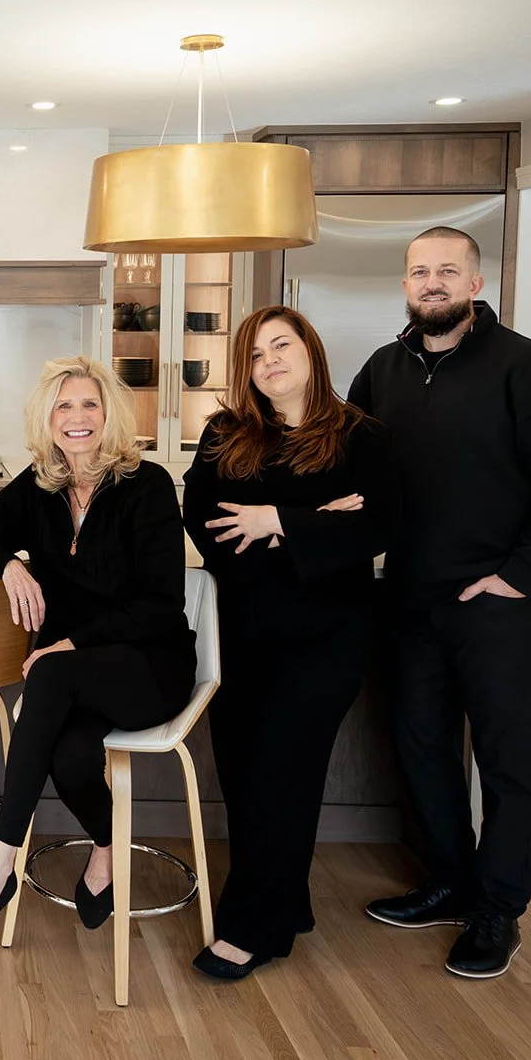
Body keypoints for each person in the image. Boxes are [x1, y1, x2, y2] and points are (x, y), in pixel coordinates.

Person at [349, 226, 531, 980]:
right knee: (422, 746)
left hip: (501, 603)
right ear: (404, 285)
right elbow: (348, 464)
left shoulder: (526, 369)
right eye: (420, 271)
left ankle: (498, 907)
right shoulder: (382, 371)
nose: (432, 282)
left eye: (447, 271)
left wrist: (521, 574)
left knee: (507, 759)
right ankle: (449, 879)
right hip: (410, 599)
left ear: (475, 282)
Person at [0, 357, 197, 948]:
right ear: (47, 419)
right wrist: (10, 566)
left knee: (48, 672)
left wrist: (70, 642)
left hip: (150, 667)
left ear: (110, 415)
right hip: (78, 675)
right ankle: (106, 844)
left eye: (89, 405)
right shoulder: (41, 486)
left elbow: (161, 605)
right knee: (71, 758)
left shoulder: (146, 485)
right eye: (63, 406)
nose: (77, 418)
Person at [181, 307, 399, 979]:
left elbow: (377, 528)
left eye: (282, 344)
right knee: (246, 775)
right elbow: (203, 519)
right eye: (254, 353)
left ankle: (253, 926)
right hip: (243, 634)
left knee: (283, 774)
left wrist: (277, 519)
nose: (269, 359)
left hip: (324, 640)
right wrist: (312, 528)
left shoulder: (361, 437)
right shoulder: (226, 433)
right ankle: (288, 899)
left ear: (311, 350)